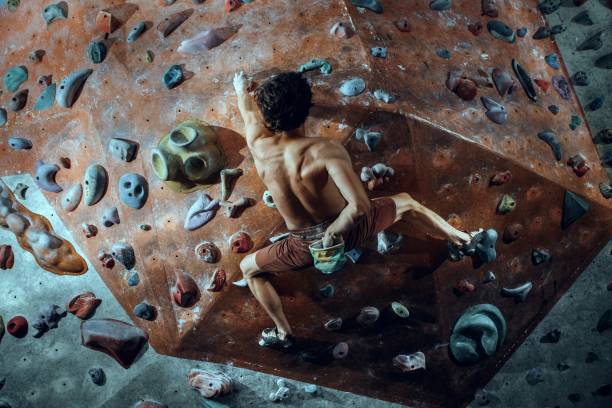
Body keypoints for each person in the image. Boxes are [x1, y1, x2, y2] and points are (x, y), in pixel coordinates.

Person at [233, 71, 476, 348]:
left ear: (267, 117)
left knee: (248, 269)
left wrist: (241, 88)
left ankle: (282, 332)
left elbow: (247, 112)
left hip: (303, 248)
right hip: (352, 230)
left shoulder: (259, 145)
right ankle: (463, 239)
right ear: (307, 109)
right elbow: (359, 206)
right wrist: (335, 230)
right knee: (407, 202)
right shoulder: (325, 150)